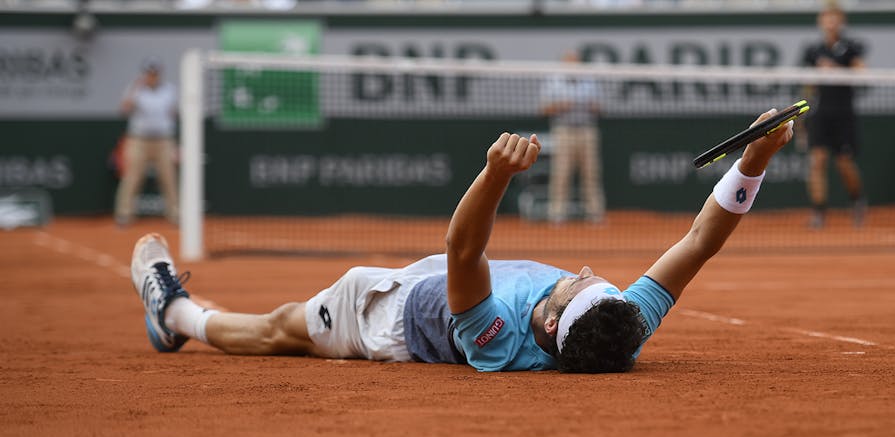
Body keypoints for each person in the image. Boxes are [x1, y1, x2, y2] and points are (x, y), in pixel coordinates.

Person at [130, 108, 793, 373]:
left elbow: (463, 252)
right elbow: (703, 238)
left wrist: (495, 174)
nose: (586, 268)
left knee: (279, 331)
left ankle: (176, 316)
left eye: (579, 279)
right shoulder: (622, 322)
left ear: (553, 316)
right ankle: (180, 315)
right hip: (429, 278)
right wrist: (757, 157)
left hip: (383, 317)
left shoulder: (497, 333)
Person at [802, 2, 867, 229]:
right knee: (817, 162)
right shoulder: (812, 51)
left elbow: (862, 72)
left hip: (844, 114)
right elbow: (808, 86)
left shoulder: (852, 48)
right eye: (826, 17)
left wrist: (835, 70)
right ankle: (818, 212)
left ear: (841, 21)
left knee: (844, 163)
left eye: (834, 17)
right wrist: (803, 118)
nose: (830, 22)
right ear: (821, 21)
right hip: (820, 114)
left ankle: (857, 201)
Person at [539, 50, 606, 225]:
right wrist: (561, 106)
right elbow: (544, 108)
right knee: (561, 173)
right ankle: (557, 213)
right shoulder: (553, 81)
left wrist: (592, 106)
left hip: (587, 130)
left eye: (575, 62)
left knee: (591, 173)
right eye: (569, 63)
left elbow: (601, 107)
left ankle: (594, 213)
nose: (573, 66)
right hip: (564, 130)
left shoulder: (590, 80)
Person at [114, 58, 179, 227]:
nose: (152, 76)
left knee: (169, 178)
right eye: (149, 73)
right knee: (132, 177)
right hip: (139, 140)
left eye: (155, 73)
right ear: (145, 74)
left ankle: (175, 214)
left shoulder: (170, 90)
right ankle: (124, 214)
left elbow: (175, 112)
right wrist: (136, 89)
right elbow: (124, 109)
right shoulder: (136, 88)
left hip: (164, 141)